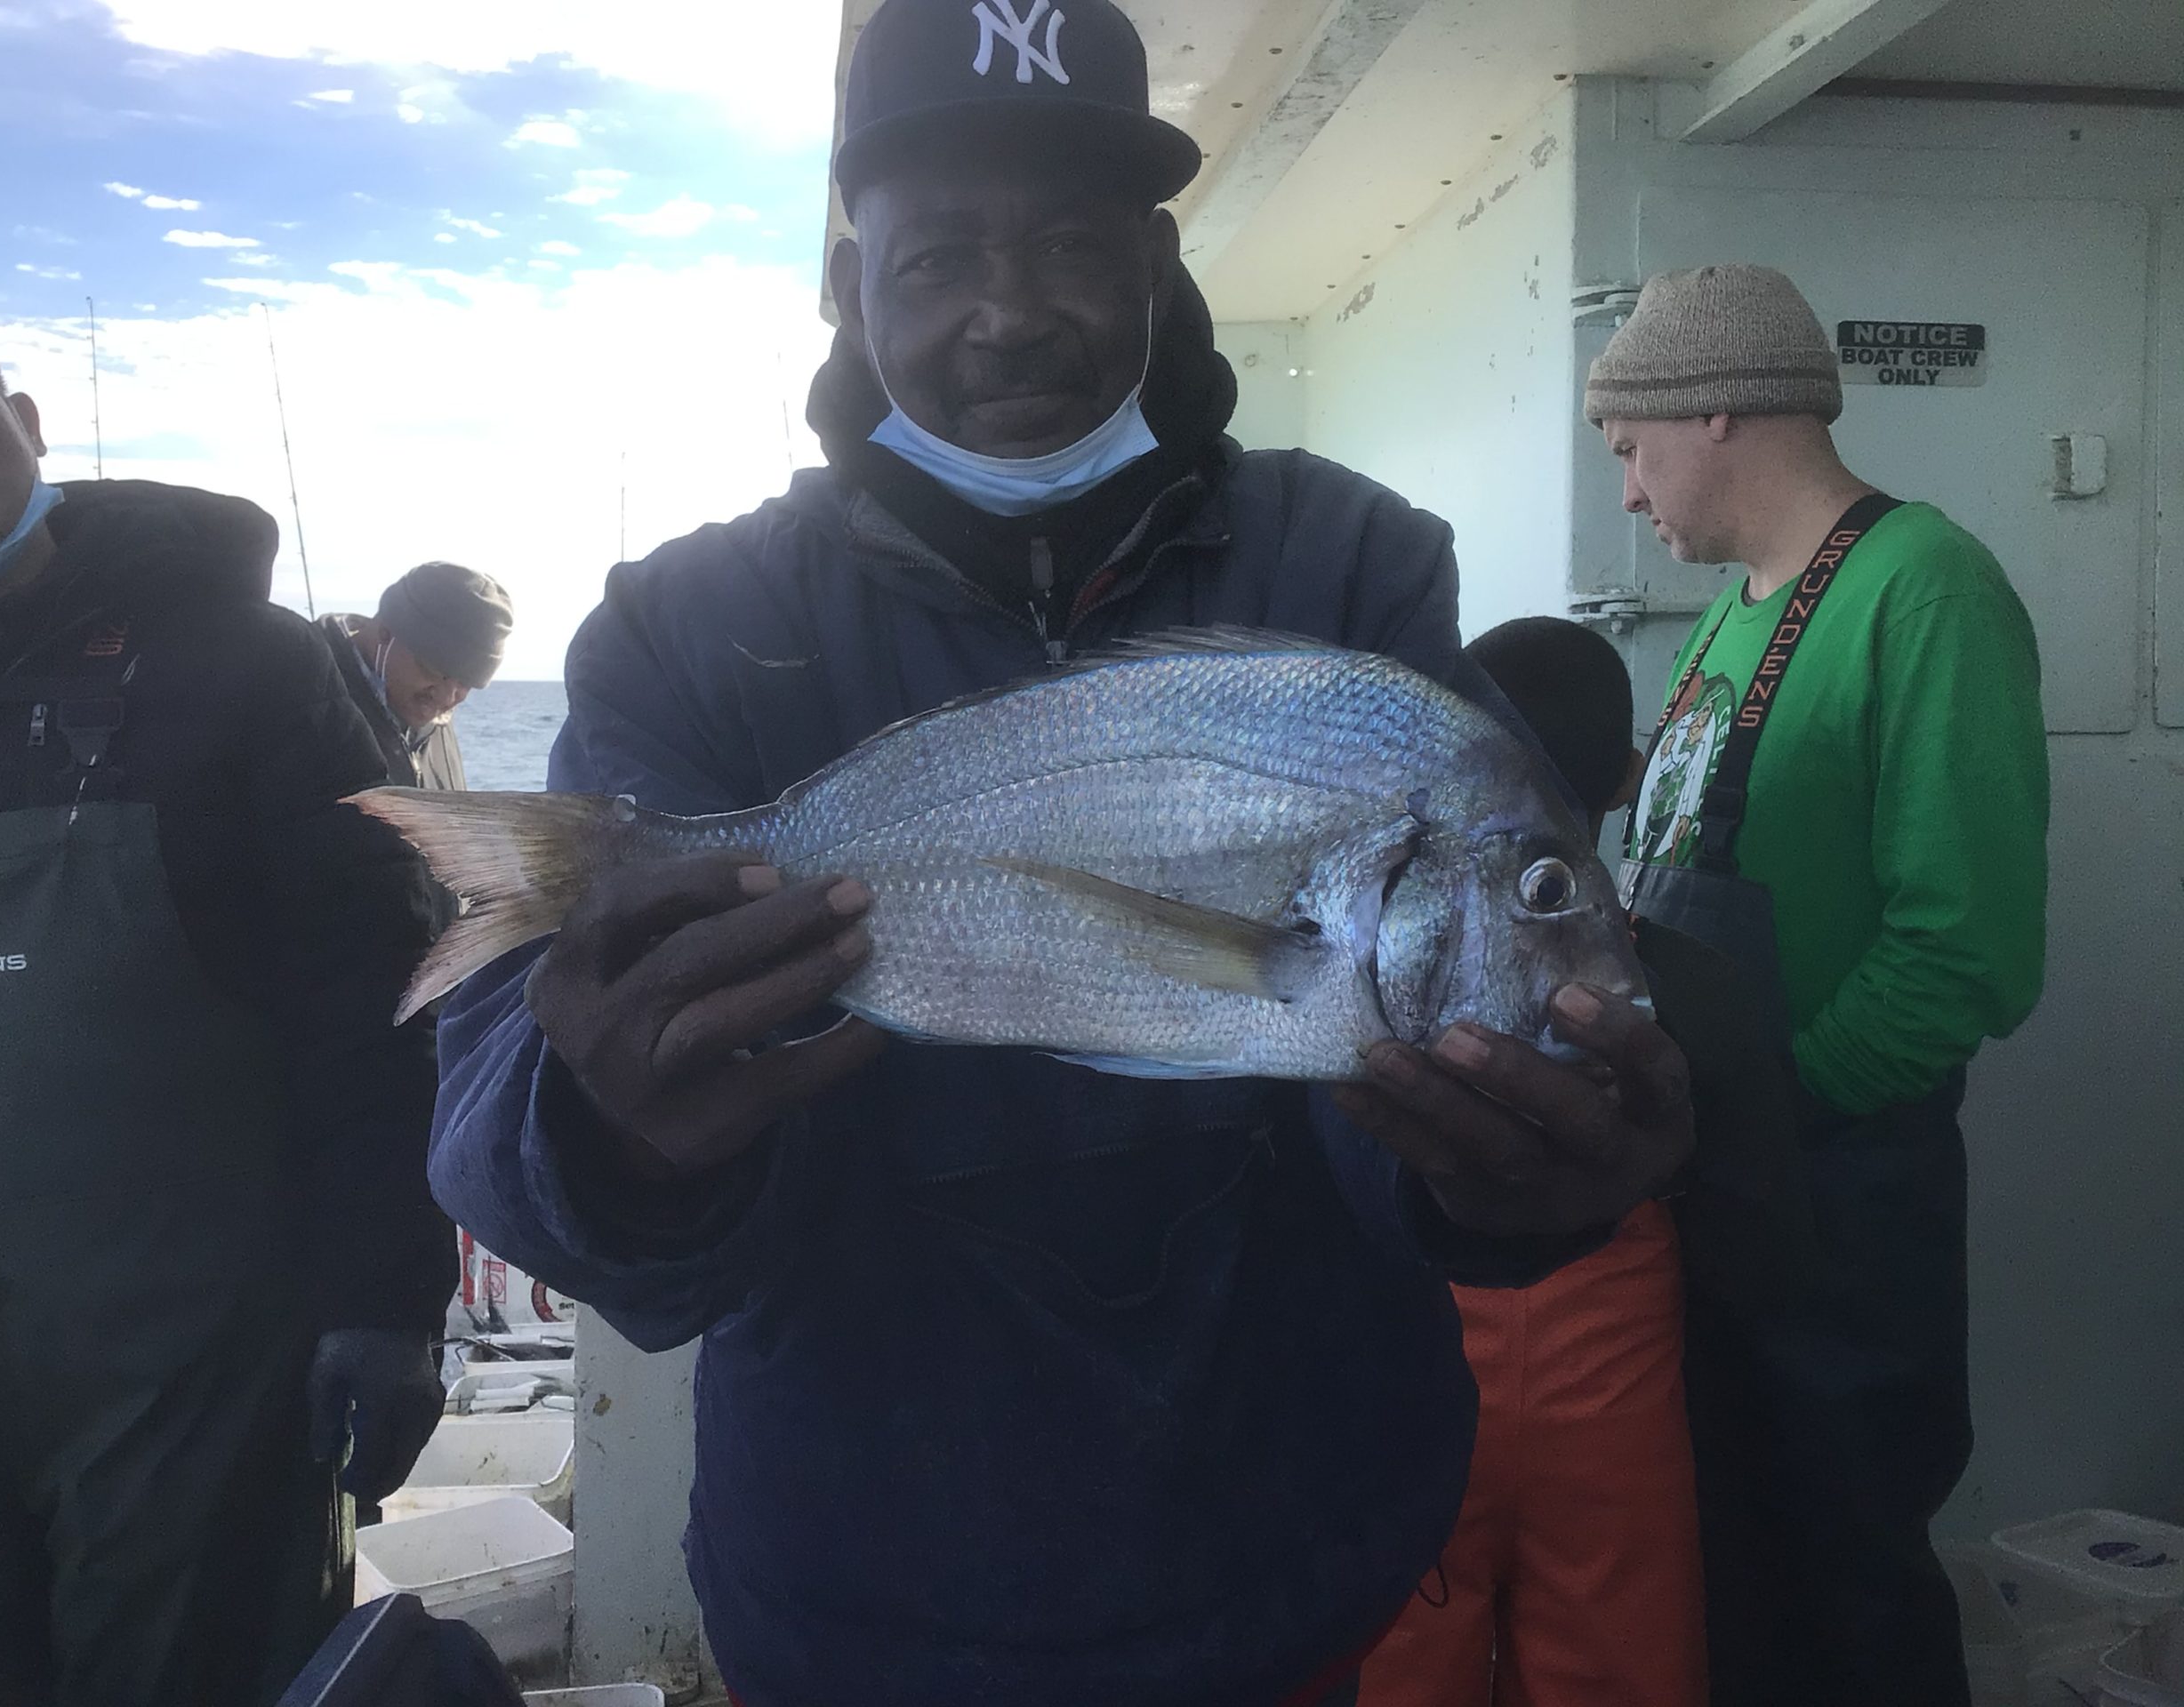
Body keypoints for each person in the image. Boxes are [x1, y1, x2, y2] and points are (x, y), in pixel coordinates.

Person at [430, 5, 1695, 1704]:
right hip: (859, 1573)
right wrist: (605, 1137)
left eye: (1071, 246)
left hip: (1304, 1553)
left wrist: (1502, 1179)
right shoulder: (689, 628)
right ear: (843, 285)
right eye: (939, 254)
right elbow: (497, 1112)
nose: (1008, 312)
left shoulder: (1349, 560)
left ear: (1158, 265)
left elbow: (1386, 1067)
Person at [0, 282, 455, 1705]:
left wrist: (388, 1299)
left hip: (204, 1365)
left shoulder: (249, 665)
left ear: (18, 418)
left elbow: (376, 988)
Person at [1588, 264, 2050, 1704]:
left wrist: (1774, 1116)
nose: (1627, 494)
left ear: (1714, 408)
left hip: (1838, 1213)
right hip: (1715, 1193)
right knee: (1737, 1592)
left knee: (1846, 1602)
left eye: (1630, 448)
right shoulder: (1732, 617)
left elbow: (1965, 950)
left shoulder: (1927, 589)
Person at [1360, 617, 1708, 1707]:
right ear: (1624, 780)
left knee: (1396, 1654)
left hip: (1409, 1357)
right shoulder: (1690, 987)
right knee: (1621, 1657)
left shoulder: (1370, 989)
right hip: (1619, 1383)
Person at [321, 560, 514, 793]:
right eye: (433, 669)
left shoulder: (432, 714)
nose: (446, 698)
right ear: (385, 632)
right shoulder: (299, 694)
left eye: (466, 682)